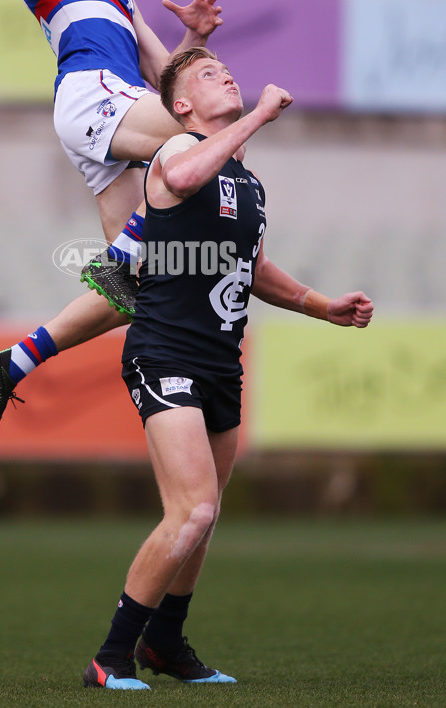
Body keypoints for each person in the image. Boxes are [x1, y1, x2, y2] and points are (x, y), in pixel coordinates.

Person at [82, 46, 374, 689]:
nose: (229, 76)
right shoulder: (173, 154)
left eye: (227, 70)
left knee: (204, 516)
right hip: (164, 353)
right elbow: (184, 182)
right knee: (192, 511)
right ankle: (110, 657)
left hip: (220, 362)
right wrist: (261, 115)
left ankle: (166, 645)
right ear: (181, 105)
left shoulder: (246, 179)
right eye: (209, 75)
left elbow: (257, 269)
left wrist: (322, 305)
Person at [0, 0, 224, 455]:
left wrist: (196, 41)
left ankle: (7, 365)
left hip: (124, 103)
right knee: (210, 134)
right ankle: (124, 256)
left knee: (131, 292)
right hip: (93, 93)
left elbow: (168, 82)